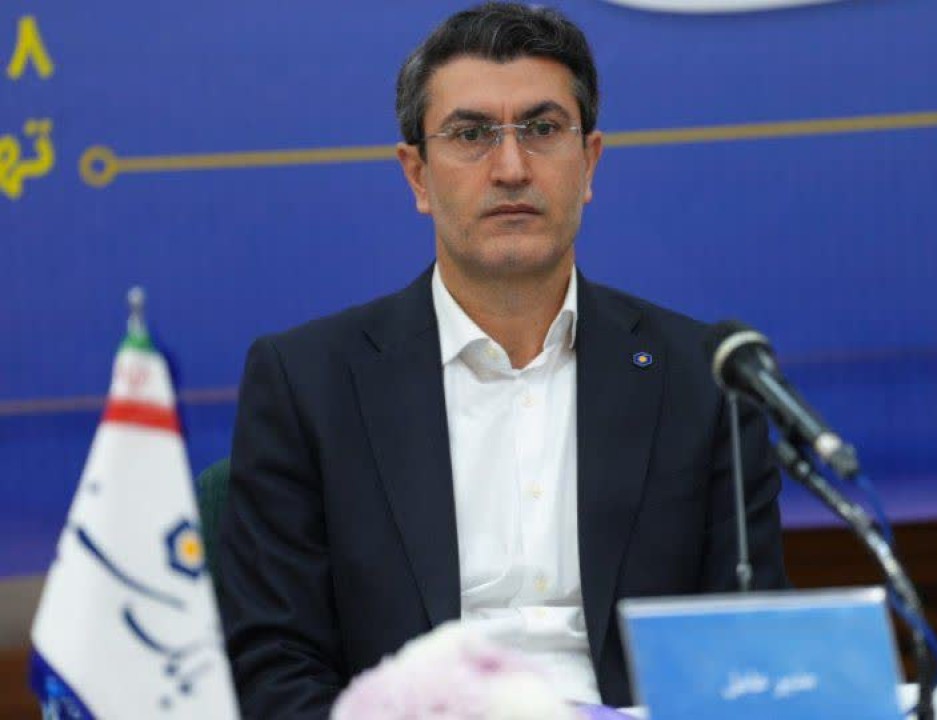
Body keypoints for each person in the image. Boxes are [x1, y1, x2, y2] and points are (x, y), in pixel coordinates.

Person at [219, 3, 788, 718]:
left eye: (543, 130)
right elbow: (273, 666)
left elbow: (750, 645)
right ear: (417, 175)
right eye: (470, 135)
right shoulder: (309, 383)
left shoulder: (705, 379)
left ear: (589, 162)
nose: (512, 168)